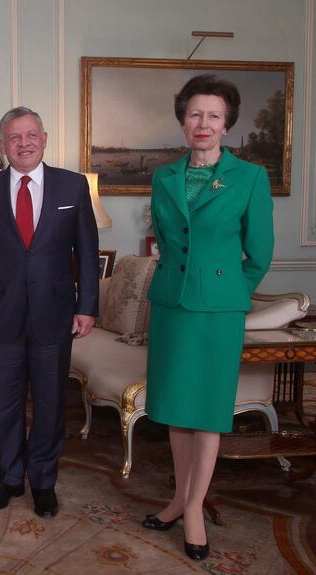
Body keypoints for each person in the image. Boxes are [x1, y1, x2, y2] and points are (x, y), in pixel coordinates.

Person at [142, 75, 274, 561]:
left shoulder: (250, 178)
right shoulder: (164, 176)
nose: (203, 123)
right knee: (177, 408)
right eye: (195, 114)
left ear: (226, 124)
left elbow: (258, 255)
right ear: (182, 120)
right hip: (173, 304)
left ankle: (195, 508)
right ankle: (178, 497)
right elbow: (165, 238)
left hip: (218, 311)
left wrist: (227, 292)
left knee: (208, 412)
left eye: (213, 115)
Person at [0, 106, 99, 518]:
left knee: (50, 401)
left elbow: (87, 255)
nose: (24, 144)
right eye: (14, 138)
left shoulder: (72, 187)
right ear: (2, 145)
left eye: (31, 135)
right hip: (0, 315)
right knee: (5, 402)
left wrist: (87, 306)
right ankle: (8, 479)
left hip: (55, 313)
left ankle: (43, 481)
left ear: (45, 138)